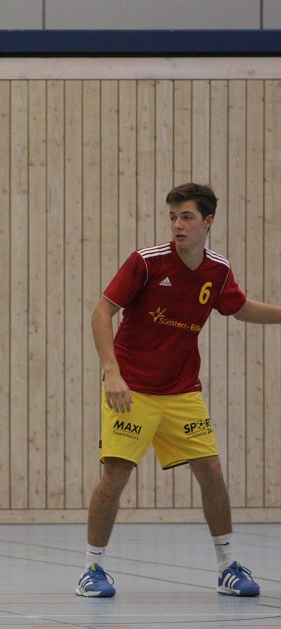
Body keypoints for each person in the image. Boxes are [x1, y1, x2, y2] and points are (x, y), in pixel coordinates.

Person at [79, 182, 281, 599]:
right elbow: (102, 311)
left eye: (186, 217)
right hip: (130, 387)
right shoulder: (146, 262)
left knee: (211, 471)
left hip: (182, 391)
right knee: (116, 474)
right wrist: (111, 372)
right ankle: (92, 568)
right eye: (172, 216)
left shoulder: (217, 270)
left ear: (207, 222)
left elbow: (239, 307)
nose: (177, 225)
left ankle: (227, 566)